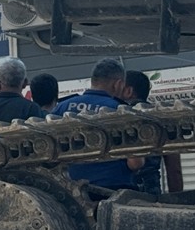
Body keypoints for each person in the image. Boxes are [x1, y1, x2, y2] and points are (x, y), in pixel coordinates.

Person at [57, 58, 144, 189]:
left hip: (70, 190)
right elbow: (135, 163)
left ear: (93, 80)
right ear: (118, 84)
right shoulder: (122, 112)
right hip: (113, 188)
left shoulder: (62, 108)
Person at [126, 69, 184, 194]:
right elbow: (174, 169)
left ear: (128, 91)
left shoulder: (116, 118)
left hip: (117, 189)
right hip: (151, 190)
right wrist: (176, 198)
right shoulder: (163, 119)